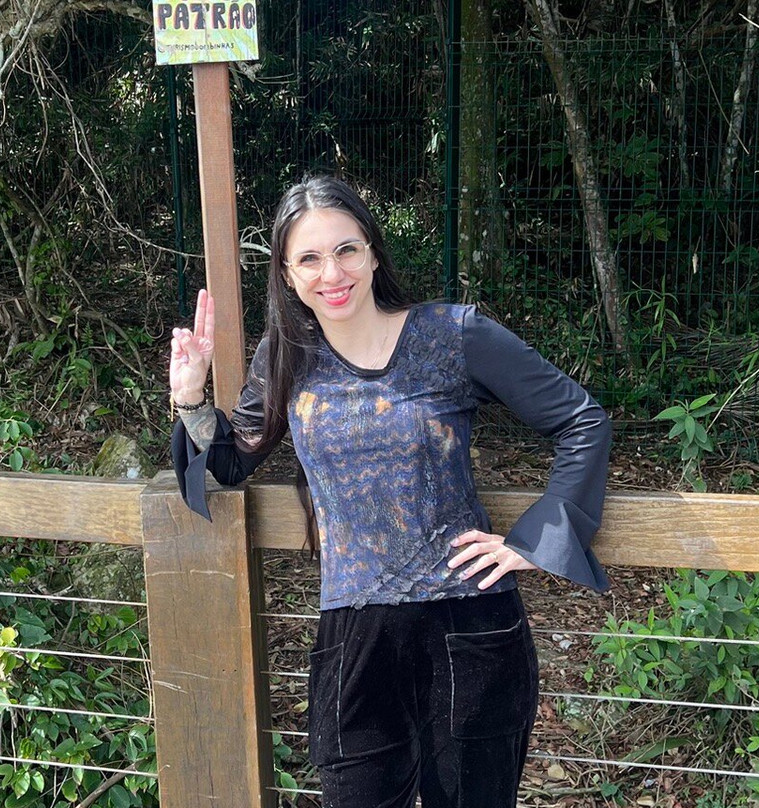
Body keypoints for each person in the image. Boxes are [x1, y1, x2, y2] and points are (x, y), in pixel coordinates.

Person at [167, 175, 611, 808]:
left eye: (346, 249)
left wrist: (536, 539)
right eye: (310, 258)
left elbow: (582, 419)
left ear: (373, 251)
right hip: (356, 634)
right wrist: (190, 398)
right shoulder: (287, 356)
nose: (333, 272)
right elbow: (231, 463)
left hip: (470, 627)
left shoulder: (454, 335)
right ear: (288, 276)